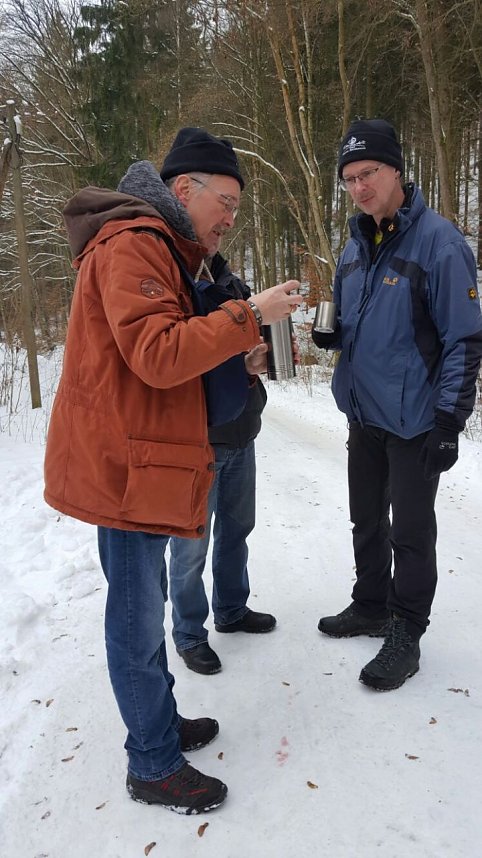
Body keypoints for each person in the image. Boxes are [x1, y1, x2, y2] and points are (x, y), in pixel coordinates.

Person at [44, 126, 302, 813]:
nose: (230, 219)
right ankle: (152, 764)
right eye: (228, 204)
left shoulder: (155, 243)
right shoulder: (134, 242)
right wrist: (251, 315)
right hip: (123, 470)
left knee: (143, 606)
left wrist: (233, 355)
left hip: (137, 461)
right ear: (184, 189)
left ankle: (159, 726)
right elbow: (157, 353)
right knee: (134, 616)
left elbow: (163, 362)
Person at [313, 118, 482, 692]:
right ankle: (370, 603)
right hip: (364, 414)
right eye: (350, 179)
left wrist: (449, 422)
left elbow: (464, 337)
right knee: (366, 518)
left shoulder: (439, 242)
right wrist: (330, 335)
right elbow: (348, 318)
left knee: (411, 530)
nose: (360, 187)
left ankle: (407, 629)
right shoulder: (354, 247)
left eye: (369, 173)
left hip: (416, 422)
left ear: (397, 171)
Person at [168, 252, 274, 677]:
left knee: (236, 532)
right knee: (190, 547)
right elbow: (178, 357)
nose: (222, 223)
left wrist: (257, 361)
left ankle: (231, 609)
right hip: (198, 443)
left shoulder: (235, 286)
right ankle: (190, 634)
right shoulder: (174, 285)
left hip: (242, 431)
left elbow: (240, 351)